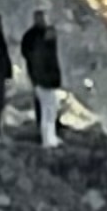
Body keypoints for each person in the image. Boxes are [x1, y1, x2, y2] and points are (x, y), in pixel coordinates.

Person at [20, 9, 65, 148]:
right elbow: (37, 62)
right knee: (47, 110)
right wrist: (42, 80)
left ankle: (51, 136)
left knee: (50, 110)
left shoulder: (45, 46)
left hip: (46, 81)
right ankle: (47, 139)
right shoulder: (38, 44)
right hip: (43, 82)